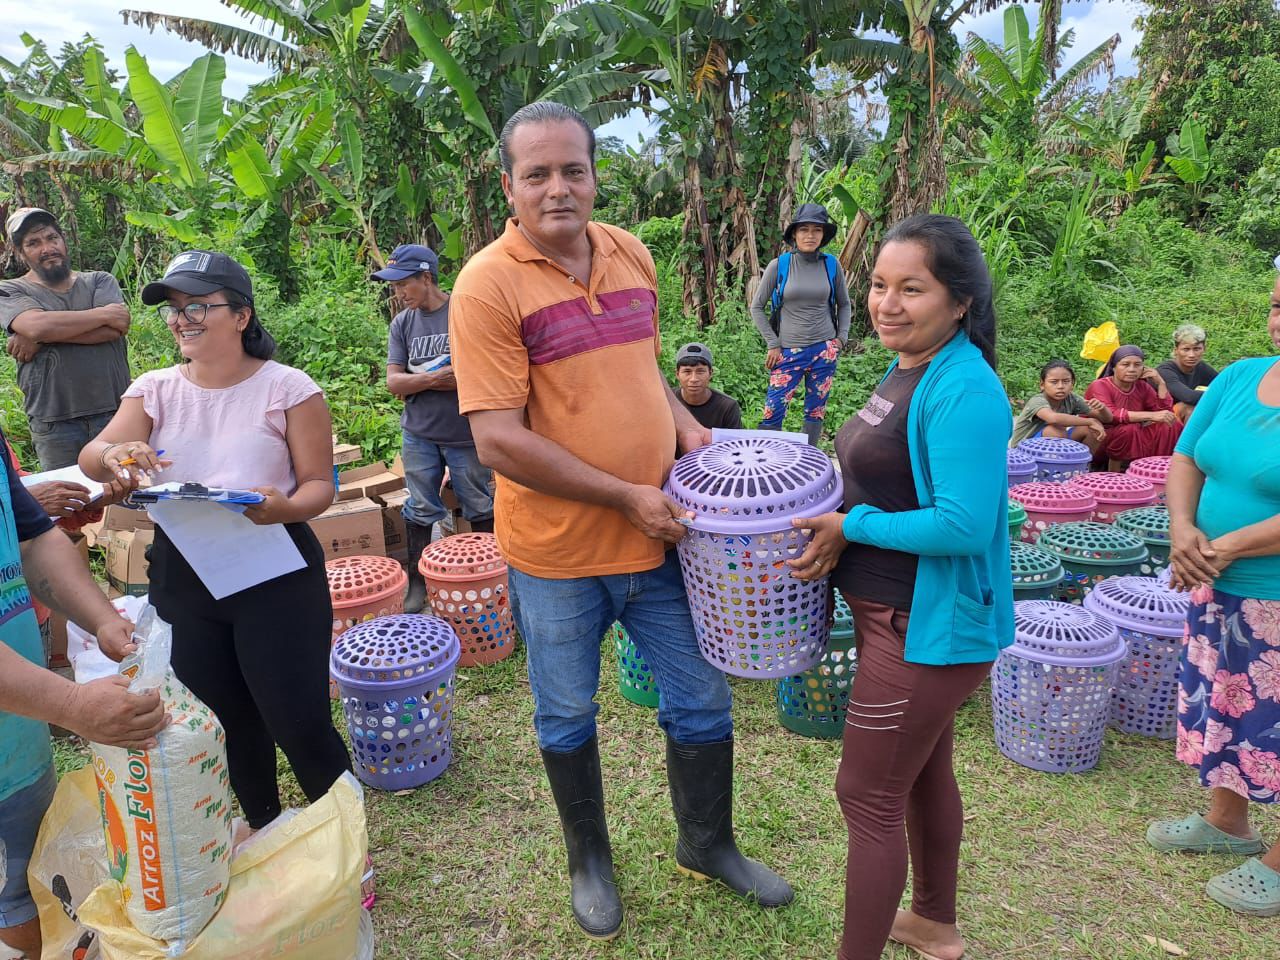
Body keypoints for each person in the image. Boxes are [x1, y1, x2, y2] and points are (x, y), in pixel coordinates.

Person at [449, 101, 791, 941]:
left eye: (573, 170)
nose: (557, 188)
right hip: (558, 555)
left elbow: (643, 366)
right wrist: (625, 495)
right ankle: (590, 861)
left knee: (702, 701)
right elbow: (497, 440)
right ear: (509, 186)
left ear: (596, 176)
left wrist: (682, 425)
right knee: (567, 713)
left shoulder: (631, 252)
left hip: (660, 540)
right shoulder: (487, 284)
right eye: (537, 174)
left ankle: (707, 844)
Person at [790, 214, 1014, 960]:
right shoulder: (910, 364)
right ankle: (934, 924)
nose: (887, 304)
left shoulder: (965, 389)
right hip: (898, 618)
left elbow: (962, 524)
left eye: (911, 289)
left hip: (923, 628)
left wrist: (851, 525)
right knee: (918, 776)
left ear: (960, 301)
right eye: (880, 285)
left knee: (868, 795)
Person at [79, 250, 351, 838]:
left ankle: (347, 843)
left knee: (299, 720)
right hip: (184, 575)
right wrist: (116, 455)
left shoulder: (288, 389)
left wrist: (285, 508)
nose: (182, 320)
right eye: (174, 310)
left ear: (241, 315)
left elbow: (318, 485)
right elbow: (93, 455)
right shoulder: (154, 390)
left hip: (273, 569)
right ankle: (265, 829)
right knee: (226, 721)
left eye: (197, 306)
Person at [0, 427, 168, 959]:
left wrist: (101, 619)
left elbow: (34, 540)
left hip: (17, 743)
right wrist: (73, 705)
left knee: (27, 891)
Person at [1147, 268, 1280, 917]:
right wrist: (1182, 529)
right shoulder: (1237, 378)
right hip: (1218, 587)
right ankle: (1228, 822)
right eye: (1278, 305)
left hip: (1270, 593)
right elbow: (1186, 458)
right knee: (1230, 709)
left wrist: (1224, 547)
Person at [371, 243, 494, 612]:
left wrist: (417, 381)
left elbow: (480, 372)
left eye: (403, 284)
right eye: (394, 286)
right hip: (419, 433)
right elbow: (394, 382)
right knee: (420, 506)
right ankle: (418, 584)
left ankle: (489, 576)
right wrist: (435, 378)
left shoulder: (464, 311)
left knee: (478, 504)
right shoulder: (403, 323)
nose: (399, 293)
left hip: (464, 433)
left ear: (426, 278)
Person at [0, 208, 131, 470]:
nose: (47, 248)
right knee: (67, 494)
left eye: (52, 238)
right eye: (33, 243)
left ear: (64, 240)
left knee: (125, 490)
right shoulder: (10, 289)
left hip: (115, 413)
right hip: (54, 423)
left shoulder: (99, 281)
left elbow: (115, 327)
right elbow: (36, 326)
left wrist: (42, 338)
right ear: (20, 252)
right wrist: (103, 314)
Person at [749, 203, 852, 445]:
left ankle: (809, 459)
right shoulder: (780, 265)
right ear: (794, 234)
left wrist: (840, 339)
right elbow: (756, 307)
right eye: (804, 229)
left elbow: (844, 304)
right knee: (773, 411)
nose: (810, 235)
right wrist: (773, 343)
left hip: (824, 350)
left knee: (815, 411)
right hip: (787, 352)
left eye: (817, 230)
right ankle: (768, 457)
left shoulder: (831, 265)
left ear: (823, 235)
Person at [1084, 345, 1182, 469]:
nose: (1132, 369)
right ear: (1114, 367)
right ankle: (1114, 472)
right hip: (1101, 438)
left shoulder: (1142, 386)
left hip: (1133, 437)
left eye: (1137, 365)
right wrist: (1151, 415)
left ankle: (1157, 468)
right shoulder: (1099, 385)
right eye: (1125, 364)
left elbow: (1164, 413)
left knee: (1171, 425)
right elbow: (1112, 415)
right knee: (1129, 429)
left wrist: (1161, 383)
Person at [1010, 359, 1107, 452]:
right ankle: (1056, 463)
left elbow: (1107, 419)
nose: (1060, 386)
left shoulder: (1072, 399)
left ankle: (1083, 462)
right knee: (1054, 430)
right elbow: (1053, 418)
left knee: (1092, 430)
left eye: (1066, 381)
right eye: (1054, 382)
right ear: (1042, 385)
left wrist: (1102, 409)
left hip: (1058, 441)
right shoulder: (1037, 400)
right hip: (1024, 449)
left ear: (1072, 384)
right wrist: (1090, 421)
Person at [672, 342, 742, 431]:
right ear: (677, 374)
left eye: (700, 371)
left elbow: (733, 439)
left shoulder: (727, 407)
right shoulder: (667, 400)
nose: (694, 379)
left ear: (710, 373)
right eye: (687, 372)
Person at [1157, 323, 1218, 424]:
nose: (1191, 355)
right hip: (1159, 419)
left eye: (1196, 349)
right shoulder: (1165, 371)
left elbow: (1223, 384)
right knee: (1188, 408)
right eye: (1186, 349)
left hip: (1176, 418)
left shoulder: (1201, 367)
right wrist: (1220, 395)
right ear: (1176, 350)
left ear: (1204, 349)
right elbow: (1189, 397)